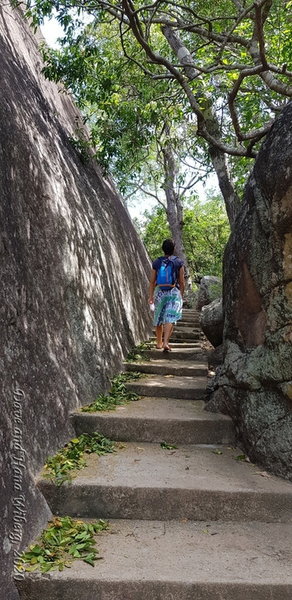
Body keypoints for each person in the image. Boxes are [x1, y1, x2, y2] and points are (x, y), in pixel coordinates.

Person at [148, 239, 184, 352]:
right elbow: (181, 281)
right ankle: (165, 342)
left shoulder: (157, 262)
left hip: (159, 291)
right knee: (170, 317)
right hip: (173, 291)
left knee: (159, 316)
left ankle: (158, 343)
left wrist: (150, 296)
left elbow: (152, 281)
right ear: (173, 249)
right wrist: (181, 295)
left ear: (163, 249)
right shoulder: (178, 262)